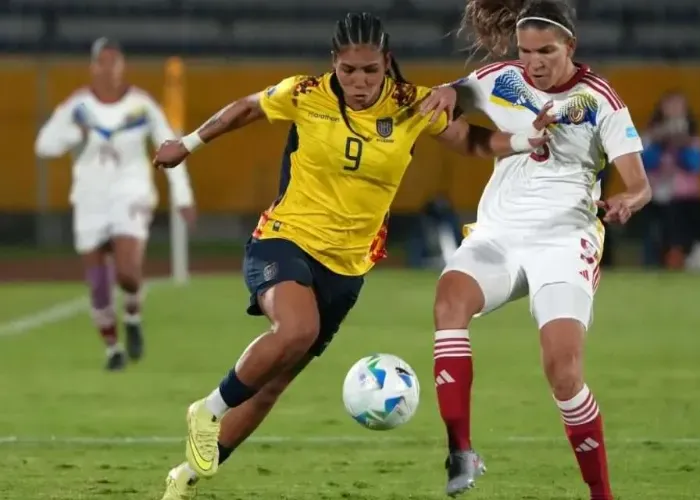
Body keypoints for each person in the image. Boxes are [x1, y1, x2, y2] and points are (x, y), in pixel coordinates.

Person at [151, 12, 553, 500]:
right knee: (298, 330)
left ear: (387, 63)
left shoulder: (410, 104)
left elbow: (469, 141)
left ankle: (185, 479)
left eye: (369, 70)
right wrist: (189, 144)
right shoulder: (304, 94)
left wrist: (523, 141)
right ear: (333, 66)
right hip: (286, 238)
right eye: (348, 70)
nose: (359, 81)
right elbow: (247, 108)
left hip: (348, 267)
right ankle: (207, 411)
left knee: (275, 385)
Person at [419, 0, 651, 497]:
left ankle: (601, 495)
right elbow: (456, 104)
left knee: (563, 373)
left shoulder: (600, 99)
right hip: (499, 232)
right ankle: (460, 451)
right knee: (448, 303)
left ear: (571, 46)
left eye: (546, 51)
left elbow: (639, 183)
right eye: (526, 51)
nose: (534, 63)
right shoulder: (502, 76)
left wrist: (626, 202)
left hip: (565, 241)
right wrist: (444, 95)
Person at [34, 37, 195, 371]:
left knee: (127, 273)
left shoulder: (141, 105)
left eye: (115, 61)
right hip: (90, 197)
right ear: (93, 66)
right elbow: (44, 145)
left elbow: (171, 146)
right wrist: (73, 136)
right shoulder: (78, 107)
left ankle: (133, 313)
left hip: (130, 192)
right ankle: (113, 349)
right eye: (102, 62)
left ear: (122, 66)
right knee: (97, 281)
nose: (109, 68)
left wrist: (182, 195)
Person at [640, 90, 700, 269]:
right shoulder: (650, 137)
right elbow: (646, 163)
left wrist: (681, 144)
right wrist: (659, 142)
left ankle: (682, 255)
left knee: (681, 215)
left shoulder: (693, 140)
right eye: (670, 107)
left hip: (686, 199)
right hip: (656, 197)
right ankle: (657, 259)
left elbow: (694, 165)